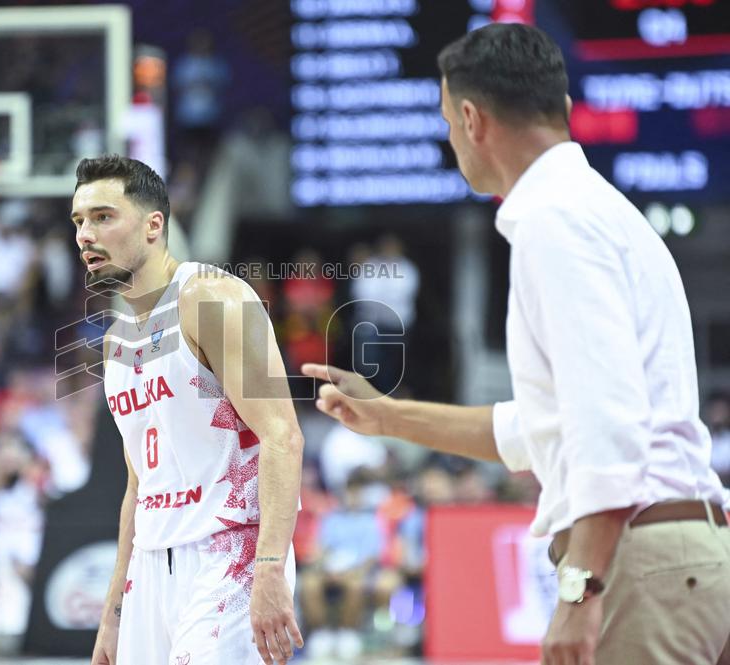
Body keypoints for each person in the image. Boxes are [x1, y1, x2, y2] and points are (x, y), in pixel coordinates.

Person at [302, 23, 730, 665]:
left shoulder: (554, 221)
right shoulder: (595, 209)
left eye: (447, 122)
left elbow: (607, 425)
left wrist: (579, 592)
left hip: (638, 559)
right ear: (559, 108)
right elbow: (542, 431)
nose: (451, 139)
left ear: (472, 119)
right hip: (669, 553)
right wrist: (387, 417)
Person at [74, 155, 304, 665]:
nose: (85, 234)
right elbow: (139, 486)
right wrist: (113, 612)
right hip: (152, 565)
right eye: (79, 221)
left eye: (103, 217)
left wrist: (268, 568)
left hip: (229, 552)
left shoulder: (211, 298)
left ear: (154, 225)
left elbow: (283, 437)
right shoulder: (116, 343)